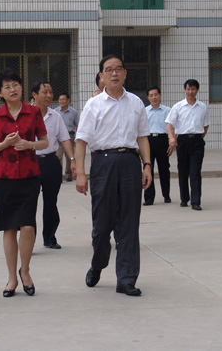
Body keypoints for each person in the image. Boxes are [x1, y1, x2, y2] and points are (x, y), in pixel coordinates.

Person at [75, 55, 152, 297]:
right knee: (102, 225)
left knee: (129, 223)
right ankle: (98, 264)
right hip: (103, 163)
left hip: (130, 162)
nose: (114, 73)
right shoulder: (94, 105)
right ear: (102, 76)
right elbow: (81, 141)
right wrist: (80, 173)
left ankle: (126, 279)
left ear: (125, 73)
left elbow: (142, 137)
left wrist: (147, 165)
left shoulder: (136, 103)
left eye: (119, 69)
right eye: (109, 70)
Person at [0, 69, 49, 298]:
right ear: (0, 93)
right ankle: (12, 277)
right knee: (9, 227)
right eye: (7, 87)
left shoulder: (34, 112)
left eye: (16, 85)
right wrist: (4, 144)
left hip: (29, 176)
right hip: (5, 177)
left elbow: (45, 142)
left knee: (28, 226)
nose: (12, 89)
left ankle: (26, 271)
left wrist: (29, 145)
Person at [32, 82, 77, 249]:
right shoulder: (26, 115)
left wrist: (72, 160)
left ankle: (50, 238)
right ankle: (28, 241)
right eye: (45, 92)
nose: (49, 95)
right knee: (29, 203)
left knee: (51, 202)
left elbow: (64, 139)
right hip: (31, 162)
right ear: (34, 94)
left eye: (51, 92)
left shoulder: (55, 116)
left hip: (51, 161)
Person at [166, 79, 210, 211]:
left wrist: (199, 137)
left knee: (195, 172)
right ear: (185, 90)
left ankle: (196, 201)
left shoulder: (202, 107)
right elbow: (169, 123)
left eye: (193, 89)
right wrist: (171, 138)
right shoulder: (178, 106)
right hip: (183, 141)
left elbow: (205, 125)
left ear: (197, 90)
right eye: (188, 89)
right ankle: (184, 198)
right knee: (183, 170)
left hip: (197, 141)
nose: (190, 92)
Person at [144, 86, 173, 205]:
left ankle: (166, 195)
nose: (154, 97)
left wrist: (172, 142)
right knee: (148, 168)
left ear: (159, 95)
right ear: (148, 97)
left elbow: (172, 127)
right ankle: (149, 198)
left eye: (156, 95)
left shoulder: (168, 111)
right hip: (149, 140)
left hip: (162, 140)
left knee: (164, 169)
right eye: (151, 95)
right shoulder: (145, 111)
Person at [54, 92, 79, 182]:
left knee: (69, 156)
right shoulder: (55, 112)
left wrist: (77, 138)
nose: (61, 101)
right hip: (58, 137)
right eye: (60, 99)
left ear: (68, 100)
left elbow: (78, 125)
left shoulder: (74, 112)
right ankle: (58, 176)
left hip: (69, 135)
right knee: (58, 156)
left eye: (63, 99)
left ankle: (68, 175)